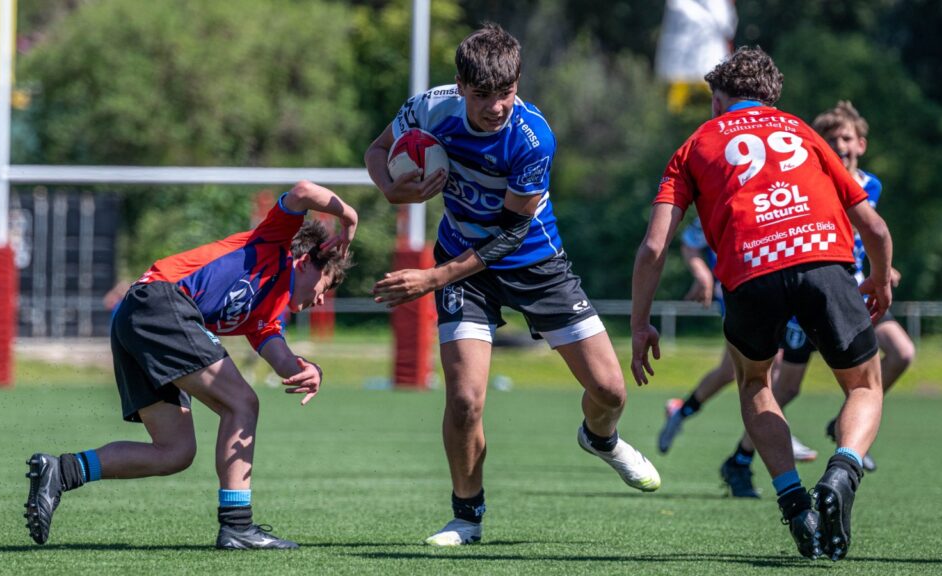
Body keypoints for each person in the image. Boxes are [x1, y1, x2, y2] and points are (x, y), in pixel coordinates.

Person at [365, 23, 660, 547]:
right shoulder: (430, 108)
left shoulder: (531, 138)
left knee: (610, 390)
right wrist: (391, 189)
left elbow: (510, 233)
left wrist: (432, 277)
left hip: (534, 263)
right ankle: (466, 517)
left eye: (505, 92)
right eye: (482, 95)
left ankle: (600, 438)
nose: (496, 106)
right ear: (460, 85)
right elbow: (378, 148)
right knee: (464, 401)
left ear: (517, 84)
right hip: (463, 263)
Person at [630, 46, 893, 561]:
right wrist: (880, 280)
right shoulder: (803, 131)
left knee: (755, 383)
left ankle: (794, 503)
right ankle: (842, 471)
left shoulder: (693, 145)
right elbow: (876, 229)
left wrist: (640, 324)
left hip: (750, 273)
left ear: (719, 100)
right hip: (824, 262)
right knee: (864, 385)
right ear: (772, 97)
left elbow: (654, 248)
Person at [24, 181, 357, 549]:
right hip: (159, 301)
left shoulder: (269, 313)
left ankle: (62, 471)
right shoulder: (274, 242)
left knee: (175, 451)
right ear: (306, 262)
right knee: (242, 404)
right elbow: (303, 191)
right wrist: (348, 216)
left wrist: (310, 371)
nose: (322, 299)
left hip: (138, 318)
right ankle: (237, 526)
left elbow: (281, 359)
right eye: (327, 284)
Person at [775, 101, 915, 473]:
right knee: (786, 388)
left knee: (901, 352)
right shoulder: (812, 182)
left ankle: (847, 428)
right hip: (817, 288)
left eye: (847, 138)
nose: (840, 145)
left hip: (857, 290)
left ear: (861, 144)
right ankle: (740, 457)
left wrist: (882, 268)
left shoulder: (872, 185)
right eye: (831, 139)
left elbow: (865, 235)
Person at [658, 218, 817, 500]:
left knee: (730, 371)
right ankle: (775, 431)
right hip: (738, 288)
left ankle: (681, 411)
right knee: (766, 364)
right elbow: (690, 244)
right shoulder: (719, 200)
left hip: (776, 284)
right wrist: (703, 275)